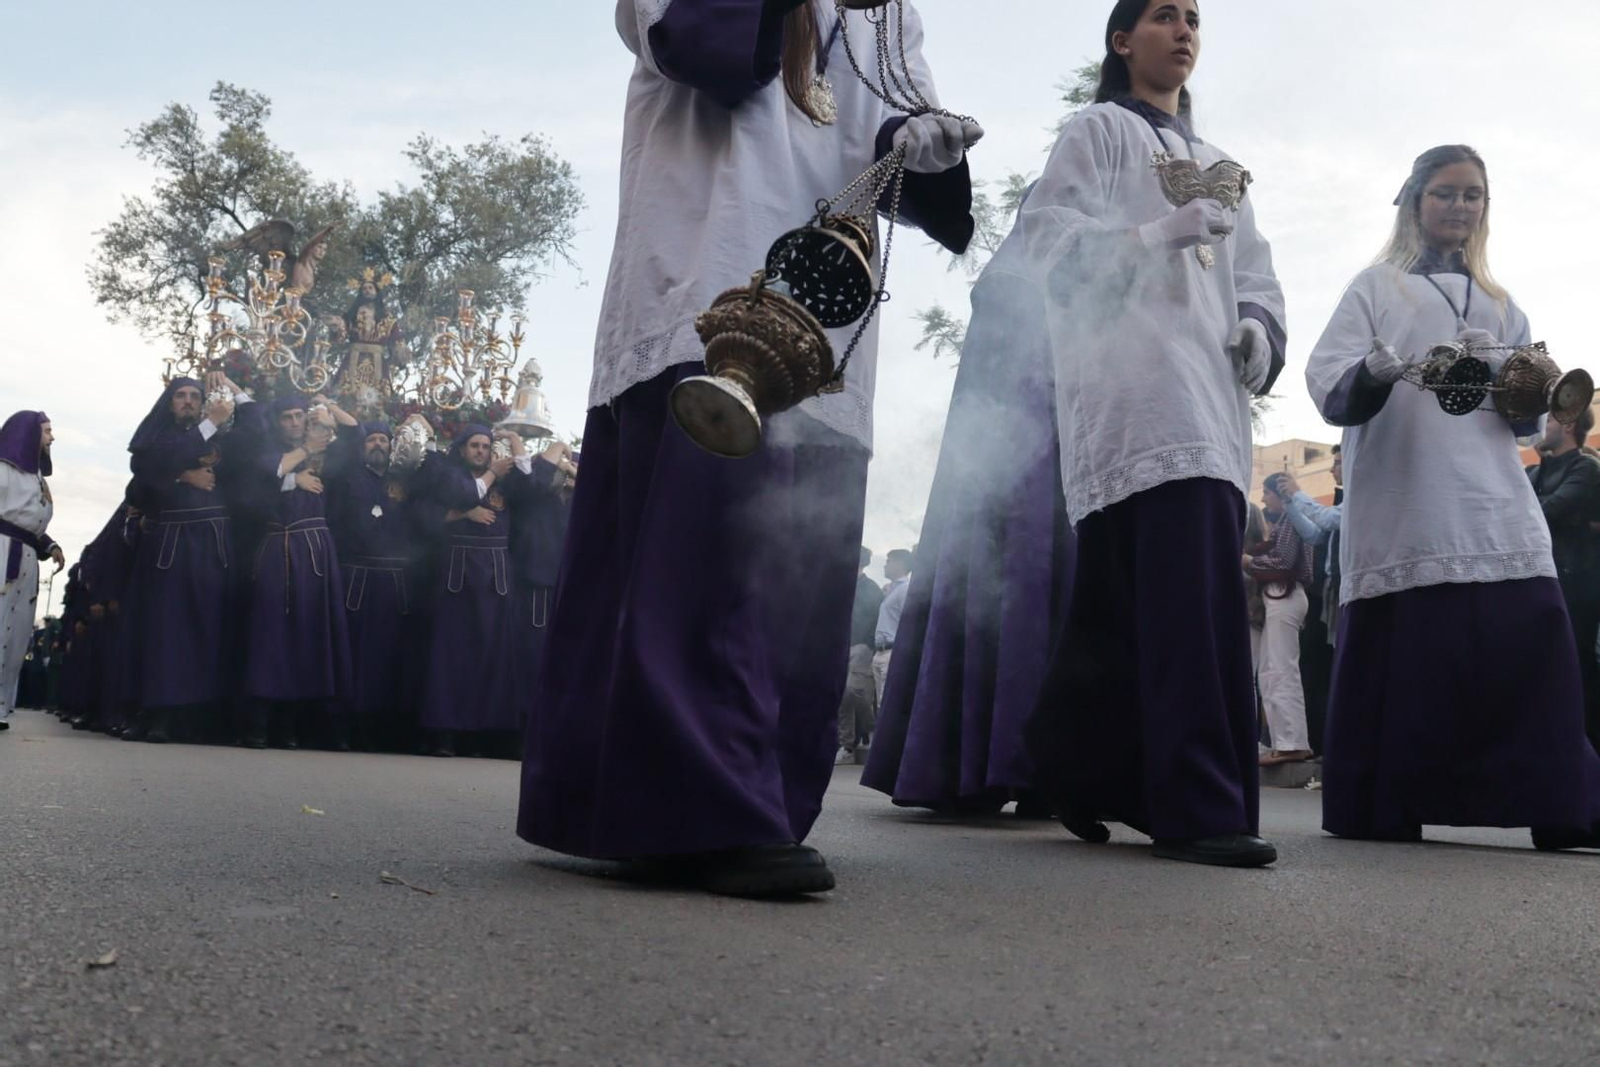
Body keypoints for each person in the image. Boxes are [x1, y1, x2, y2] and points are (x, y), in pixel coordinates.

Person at [518, 0, 978, 896]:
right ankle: (699, 807)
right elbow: (702, 46)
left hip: (825, 309)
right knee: (705, 560)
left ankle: (753, 799)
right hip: (705, 267)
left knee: (798, 573)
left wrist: (921, 140)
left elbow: (892, 137)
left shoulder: (884, 10)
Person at [1019, 0, 1286, 867]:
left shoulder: (1222, 166)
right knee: (1164, 601)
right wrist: (1152, 234)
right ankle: (1196, 808)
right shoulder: (1095, 131)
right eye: (1164, 16)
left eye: (1195, 19)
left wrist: (1256, 328)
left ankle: (1084, 767)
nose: (1184, 30)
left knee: (1165, 601)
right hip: (1128, 386)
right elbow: (1047, 244)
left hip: (1210, 396)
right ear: (1122, 40)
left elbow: (1259, 277)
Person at [1307, 144, 1600, 849]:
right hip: (1408, 492)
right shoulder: (1375, 287)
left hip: (1492, 493)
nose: (1460, 207)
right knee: (1419, 649)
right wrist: (1374, 373)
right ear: (1414, 200)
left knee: (1529, 626)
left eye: (1473, 196)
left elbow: (1530, 419)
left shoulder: (1505, 305)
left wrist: (1517, 377)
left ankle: (1559, 804)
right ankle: (1388, 803)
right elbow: (1329, 385)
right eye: (1446, 193)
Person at [862, 204, 1072, 813]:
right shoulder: (1013, 285)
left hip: (1071, 460)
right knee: (1005, 591)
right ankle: (978, 763)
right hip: (1008, 475)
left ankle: (1048, 772)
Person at [125, 376, 250, 743]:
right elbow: (142, 478)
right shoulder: (157, 436)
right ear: (169, 401)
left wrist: (234, 390)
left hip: (213, 548)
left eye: (195, 396)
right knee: (163, 633)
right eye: (180, 395)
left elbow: (258, 428)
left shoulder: (224, 438)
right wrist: (182, 476)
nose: (188, 402)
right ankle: (154, 712)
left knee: (206, 630)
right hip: (169, 546)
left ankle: (191, 717)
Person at [238, 395, 355, 749]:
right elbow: (257, 484)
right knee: (270, 635)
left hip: (316, 554)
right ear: (277, 423)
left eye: (299, 416)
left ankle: (290, 726)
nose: (293, 422)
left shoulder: (326, 452)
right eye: (286, 417)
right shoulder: (265, 450)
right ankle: (258, 723)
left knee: (307, 635)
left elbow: (356, 435)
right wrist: (295, 477)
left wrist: (330, 407)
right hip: (276, 551)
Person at [415, 426, 525, 757]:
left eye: (486, 446)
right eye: (475, 446)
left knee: (491, 656)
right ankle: (445, 735)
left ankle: (480, 735)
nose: (481, 451)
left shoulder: (507, 481)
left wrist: (518, 444)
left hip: (496, 578)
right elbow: (462, 495)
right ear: (462, 450)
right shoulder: (448, 474)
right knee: (452, 656)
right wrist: (468, 508)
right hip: (458, 576)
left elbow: (533, 487)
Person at [326, 419, 422, 751]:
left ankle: (377, 730)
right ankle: (342, 728)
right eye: (372, 440)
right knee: (353, 655)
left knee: (387, 658)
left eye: (384, 439)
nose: (378, 444)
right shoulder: (347, 478)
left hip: (394, 584)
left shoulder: (405, 483)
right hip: (358, 581)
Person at [1528, 408, 1600, 750]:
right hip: (1543, 579)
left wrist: (1532, 506)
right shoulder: (1533, 471)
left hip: (1576, 582)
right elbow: (1515, 511)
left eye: (1551, 420)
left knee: (1578, 666)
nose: (1543, 427)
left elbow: (1546, 510)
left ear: (1569, 425)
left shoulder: (1586, 466)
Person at [506, 436, 576, 731]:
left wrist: (572, 471)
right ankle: (523, 727)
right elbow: (533, 482)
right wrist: (559, 446)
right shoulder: (533, 496)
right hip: (534, 587)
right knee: (530, 660)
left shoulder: (573, 503)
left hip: (565, 592)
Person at [0, 412, 63, 732]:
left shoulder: (37, 478)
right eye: (47, 431)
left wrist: (48, 545)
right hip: (2, 552)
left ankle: (1, 704)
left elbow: (29, 523)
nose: (52, 437)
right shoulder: (3, 469)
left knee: (17, 631)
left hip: (25, 556)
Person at [1247, 473, 1314, 765]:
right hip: (1280, 597)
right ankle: (1284, 741)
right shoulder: (1287, 520)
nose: (1263, 499)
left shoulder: (1291, 518)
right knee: (1272, 671)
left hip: (1283, 595)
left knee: (1280, 669)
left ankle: (1292, 743)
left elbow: (1284, 561)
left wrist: (1249, 562)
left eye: (1267, 493)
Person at [1277, 454, 1343, 752]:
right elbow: (1316, 535)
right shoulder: (1343, 502)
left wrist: (1297, 492)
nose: (1333, 468)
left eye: (1338, 461)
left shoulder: (1361, 497)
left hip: (1347, 592)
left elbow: (1329, 520)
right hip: (1331, 593)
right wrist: (1291, 503)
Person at [836, 547, 883, 765]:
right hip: (842, 645)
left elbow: (874, 618)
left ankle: (873, 731)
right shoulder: (844, 585)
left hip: (861, 645)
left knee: (854, 690)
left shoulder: (871, 589)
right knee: (842, 696)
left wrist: (867, 643)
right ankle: (847, 744)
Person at [872, 549, 914, 708]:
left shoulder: (905, 589)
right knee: (880, 704)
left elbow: (907, 621)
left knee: (886, 704)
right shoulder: (891, 589)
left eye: (888, 561)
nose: (884, 565)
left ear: (900, 564)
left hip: (892, 651)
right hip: (880, 652)